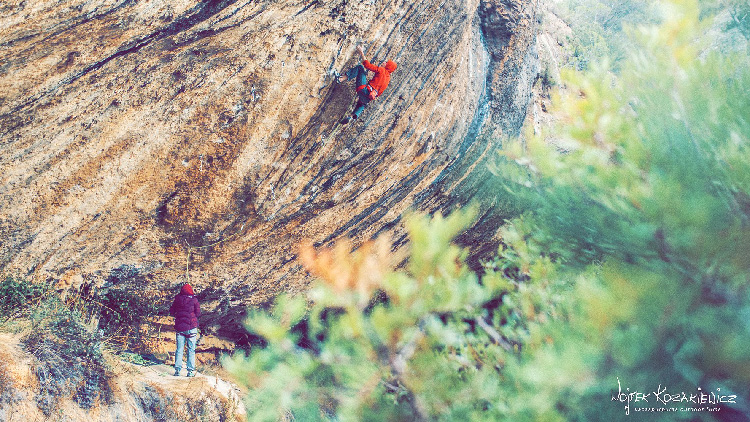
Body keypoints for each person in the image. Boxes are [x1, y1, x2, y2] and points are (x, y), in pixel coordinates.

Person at [337, 45, 397, 124]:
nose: (384, 62)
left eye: (386, 62)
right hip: (369, 96)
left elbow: (367, 65)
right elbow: (379, 93)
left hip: (364, 89)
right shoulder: (388, 79)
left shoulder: (382, 70)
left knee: (360, 68)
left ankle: (341, 79)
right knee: (362, 104)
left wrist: (361, 52)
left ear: (388, 66)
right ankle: (352, 116)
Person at [169, 283, 200, 377]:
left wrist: (178, 316)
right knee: (191, 350)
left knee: (179, 349)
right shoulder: (194, 300)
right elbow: (198, 313)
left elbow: (171, 311)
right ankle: (190, 371)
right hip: (191, 328)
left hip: (180, 328)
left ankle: (177, 370)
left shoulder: (177, 300)